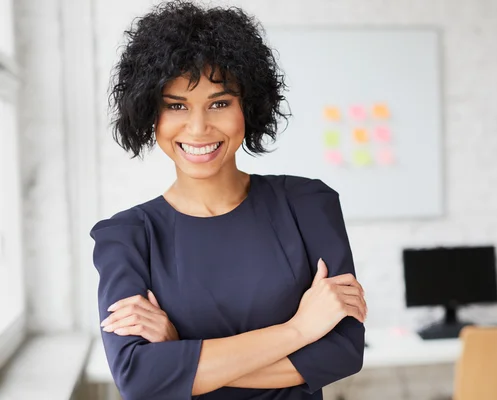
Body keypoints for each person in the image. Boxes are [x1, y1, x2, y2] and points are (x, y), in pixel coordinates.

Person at [89, 1, 367, 399]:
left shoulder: (307, 204)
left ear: (247, 107)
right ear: (151, 115)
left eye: (219, 103)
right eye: (176, 105)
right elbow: (139, 378)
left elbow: (342, 352)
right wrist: (299, 330)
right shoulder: (126, 237)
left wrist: (178, 355)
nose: (199, 127)